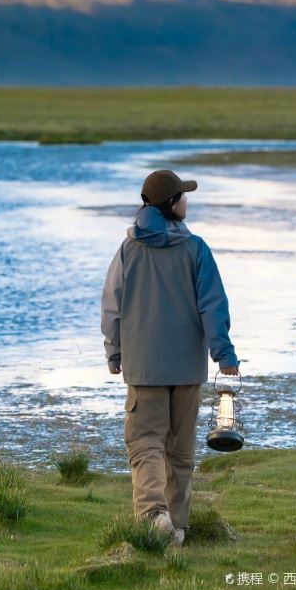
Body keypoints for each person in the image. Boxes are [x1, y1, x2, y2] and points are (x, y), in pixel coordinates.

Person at [100, 168, 240, 548]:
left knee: (145, 442)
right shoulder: (197, 249)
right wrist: (223, 354)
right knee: (179, 451)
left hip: (144, 368)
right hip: (186, 370)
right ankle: (176, 528)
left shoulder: (128, 249)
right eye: (183, 196)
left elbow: (111, 306)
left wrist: (114, 353)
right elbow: (213, 305)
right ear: (171, 204)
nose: (187, 200)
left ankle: (152, 517)